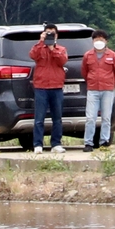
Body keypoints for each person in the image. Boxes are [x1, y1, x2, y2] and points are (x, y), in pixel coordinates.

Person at [30, 23, 69, 154]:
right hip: (41, 87)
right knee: (39, 118)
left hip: (56, 87)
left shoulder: (61, 49)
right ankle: (37, 144)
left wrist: (52, 48)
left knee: (57, 117)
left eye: (52, 33)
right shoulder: (39, 48)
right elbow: (32, 55)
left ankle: (56, 144)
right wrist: (41, 42)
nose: (50, 35)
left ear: (56, 35)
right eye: (48, 33)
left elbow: (62, 61)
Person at [81, 29, 115, 152]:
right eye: (96, 39)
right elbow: (84, 72)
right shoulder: (87, 55)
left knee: (106, 117)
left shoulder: (112, 55)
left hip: (108, 90)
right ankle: (88, 143)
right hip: (92, 90)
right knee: (90, 118)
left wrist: (110, 84)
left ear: (106, 41)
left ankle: (104, 142)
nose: (99, 41)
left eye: (101, 39)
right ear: (92, 41)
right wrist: (91, 81)